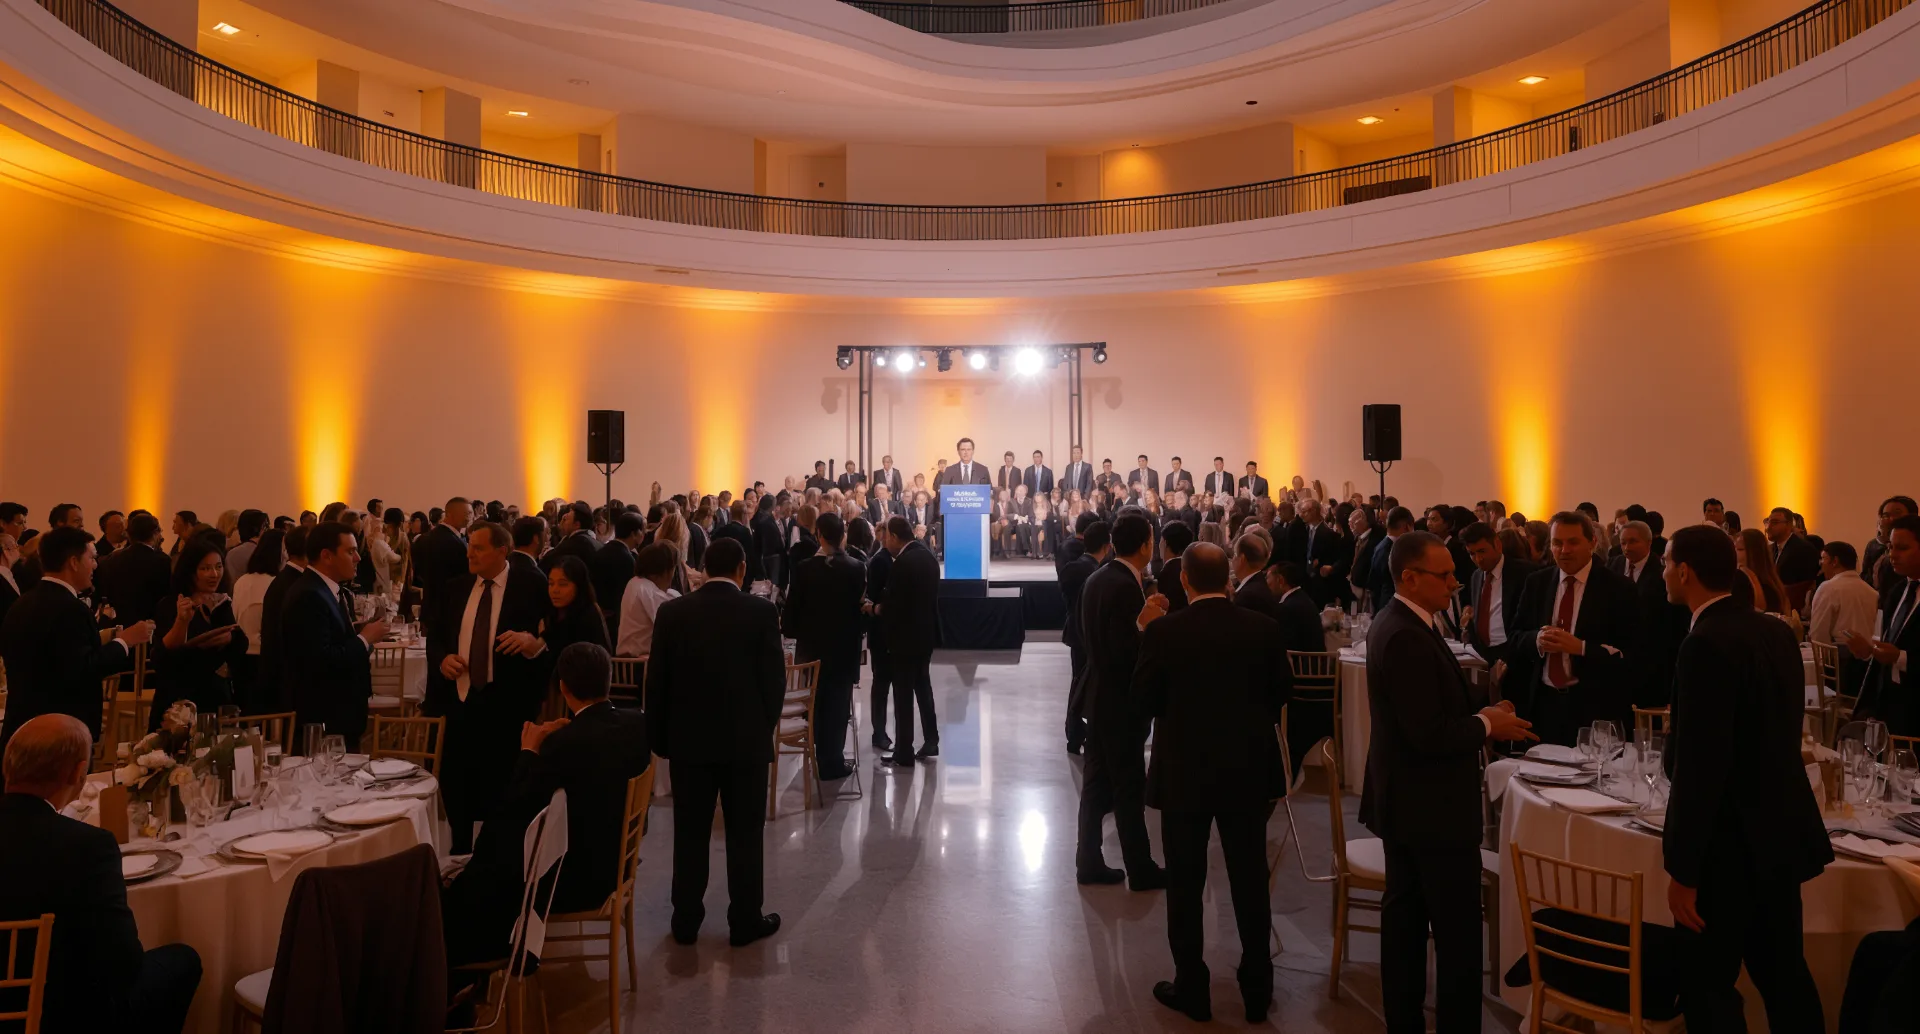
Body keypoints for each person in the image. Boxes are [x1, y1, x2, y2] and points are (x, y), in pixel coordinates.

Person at [1361, 531, 1535, 1034]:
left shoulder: (1409, 622)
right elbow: (1427, 734)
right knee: (1455, 937)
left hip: (1413, 802)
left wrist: (1482, 712)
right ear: (1410, 578)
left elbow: (1429, 712)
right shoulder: (1402, 633)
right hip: (1430, 808)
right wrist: (1486, 725)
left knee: (1408, 925)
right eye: (1445, 575)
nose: (1456, 582)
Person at [1660, 524, 1831, 1031]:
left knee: (1706, 982)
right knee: (1784, 975)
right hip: (1779, 833)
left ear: (1685, 571)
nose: (1664, 573)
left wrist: (1682, 869)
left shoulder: (1705, 643)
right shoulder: (1775, 629)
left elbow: (1701, 765)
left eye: (1668, 563)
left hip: (1726, 845)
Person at [1134, 542, 1287, 1023]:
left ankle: (1192, 987)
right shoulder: (1263, 628)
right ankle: (1258, 988)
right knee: (1249, 878)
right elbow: (1281, 693)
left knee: (1184, 880)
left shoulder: (1164, 632)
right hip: (1246, 770)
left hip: (1185, 772)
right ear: (1228, 578)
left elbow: (1144, 703)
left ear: (1183, 581)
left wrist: (1145, 636)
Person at [440, 643, 651, 966]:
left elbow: (514, 810)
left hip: (578, 880)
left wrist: (529, 750)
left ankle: (463, 965)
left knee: (482, 875)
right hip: (619, 864)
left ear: (563, 688)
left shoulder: (564, 743)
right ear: (608, 680)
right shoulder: (638, 725)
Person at [0, 714, 202, 1032]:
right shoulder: (87, 846)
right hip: (59, 1016)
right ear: (79, 773)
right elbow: (123, 965)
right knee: (183, 960)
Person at [647, 538, 784, 947]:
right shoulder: (760, 611)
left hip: (689, 743)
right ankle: (744, 921)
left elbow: (657, 683)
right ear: (742, 569)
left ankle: (686, 921)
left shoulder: (673, 612)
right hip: (746, 743)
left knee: (689, 833)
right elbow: (773, 683)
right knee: (745, 834)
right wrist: (762, 727)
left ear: (703, 567)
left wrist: (661, 739)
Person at [424, 521, 552, 854]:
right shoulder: (456, 587)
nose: (470, 553)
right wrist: (442, 660)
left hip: (509, 703)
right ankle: (460, 853)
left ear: (502, 551)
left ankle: (500, 858)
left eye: (478, 547)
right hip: (461, 699)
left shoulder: (532, 585)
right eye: (469, 545)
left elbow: (553, 635)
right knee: (456, 783)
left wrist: (533, 642)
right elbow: (435, 637)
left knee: (505, 786)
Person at [0, 527, 154, 761]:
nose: (95, 565)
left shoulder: (22, 603)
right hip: (61, 732)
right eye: (91, 558)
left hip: (22, 724)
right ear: (73, 562)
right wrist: (126, 640)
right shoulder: (70, 608)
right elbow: (85, 668)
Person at [1075, 511, 1166, 890]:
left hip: (1097, 697)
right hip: (1118, 703)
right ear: (1146, 545)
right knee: (1128, 787)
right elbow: (1124, 652)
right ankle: (1140, 868)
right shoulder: (1125, 586)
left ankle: (1089, 860)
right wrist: (1147, 625)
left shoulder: (1098, 578)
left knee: (1096, 784)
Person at [1508, 511, 1639, 747]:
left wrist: (1581, 648)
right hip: (1543, 705)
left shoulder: (1619, 588)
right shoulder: (1537, 582)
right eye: (1557, 543)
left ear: (1593, 543)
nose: (1564, 550)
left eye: (1573, 542)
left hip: (1593, 709)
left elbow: (1631, 654)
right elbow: (1515, 636)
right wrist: (1537, 639)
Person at [280, 522, 387, 751]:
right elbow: (320, 659)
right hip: (325, 713)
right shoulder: (309, 594)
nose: (358, 558)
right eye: (350, 551)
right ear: (327, 556)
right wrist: (364, 640)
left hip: (340, 711)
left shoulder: (325, 589)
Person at [782, 512, 866, 781]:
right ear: (842, 536)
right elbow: (858, 614)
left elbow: (790, 618)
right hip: (843, 651)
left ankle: (817, 756)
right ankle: (832, 760)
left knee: (815, 704)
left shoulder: (804, 569)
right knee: (839, 707)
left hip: (812, 651)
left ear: (819, 535)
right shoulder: (856, 568)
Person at [149, 537, 247, 728]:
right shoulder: (172, 604)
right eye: (205, 568)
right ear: (190, 572)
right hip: (181, 703)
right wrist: (182, 621)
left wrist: (229, 639)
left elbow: (240, 644)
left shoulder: (222, 603)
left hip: (217, 698)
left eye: (218, 567)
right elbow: (162, 658)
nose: (214, 574)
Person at [876, 515, 940, 765]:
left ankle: (903, 751)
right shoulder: (928, 557)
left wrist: (877, 609)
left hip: (904, 637)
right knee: (923, 687)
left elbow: (895, 604)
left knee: (903, 693)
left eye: (885, 537)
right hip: (925, 634)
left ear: (893, 536)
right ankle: (931, 739)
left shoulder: (903, 562)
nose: (884, 542)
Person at [1848, 515, 1920, 735]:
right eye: (1890, 547)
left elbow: (1899, 652)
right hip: (1892, 703)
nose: (1892, 555)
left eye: (1902, 548)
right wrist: (1869, 651)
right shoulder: (1898, 590)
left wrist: (1900, 657)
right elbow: (1891, 642)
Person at [1061, 520, 1109, 754]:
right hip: (1092, 634)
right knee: (1090, 683)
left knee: (1077, 681)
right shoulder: (1101, 572)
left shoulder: (1072, 568)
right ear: (1106, 546)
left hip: (1075, 632)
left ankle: (1074, 734)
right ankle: (1089, 733)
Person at [1461, 520, 1534, 666]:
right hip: (1485, 654)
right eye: (1472, 554)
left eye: (1482, 551)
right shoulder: (1476, 576)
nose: (1478, 559)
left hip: (1516, 655)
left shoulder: (1526, 573)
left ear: (1498, 545)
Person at [94, 512, 172, 627]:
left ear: (129, 535)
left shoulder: (112, 559)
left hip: (120, 624)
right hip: (152, 624)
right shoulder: (163, 561)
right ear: (155, 534)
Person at [615, 542, 680, 659]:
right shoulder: (645, 588)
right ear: (665, 571)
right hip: (638, 665)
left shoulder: (635, 583)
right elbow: (674, 622)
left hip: (635, 662)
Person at [1809, 540, 1878, 650]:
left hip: (1839, 657)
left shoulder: (1828, 588)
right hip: (1867, 656)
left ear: (1835, 561)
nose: (1820, 563)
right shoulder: (1872, 592)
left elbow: (1818, 633)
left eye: (1823, 558)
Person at [414, 497, 471, 627]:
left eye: (470, 513)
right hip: (450, 609)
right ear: (450, 514)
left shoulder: (425, 538)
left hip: (430, 606)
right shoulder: (455, 543)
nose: (469, 517)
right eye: (466, 513)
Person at [541, 556, 609, 654]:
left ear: (579, 586)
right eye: (551, 583)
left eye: (563, 584)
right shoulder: (549, 612)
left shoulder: (588, 614)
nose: (555, 590)